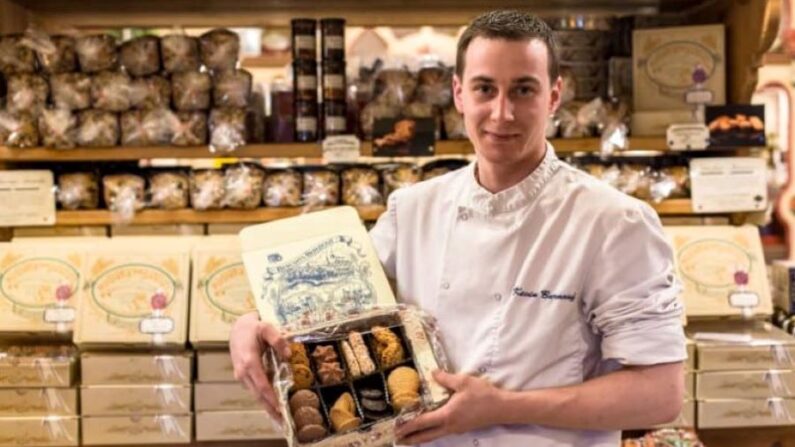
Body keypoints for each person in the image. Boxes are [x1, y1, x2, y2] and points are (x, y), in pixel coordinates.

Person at [230, 10, 686, 447]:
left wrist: (503, 406)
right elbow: (329, 311)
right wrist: (251, 325)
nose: (502, 113)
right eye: (485, 88)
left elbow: (659, 393)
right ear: (458, 94)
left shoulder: (613, 222)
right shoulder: (411, 211)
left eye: (523, 90)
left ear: (554, 96)